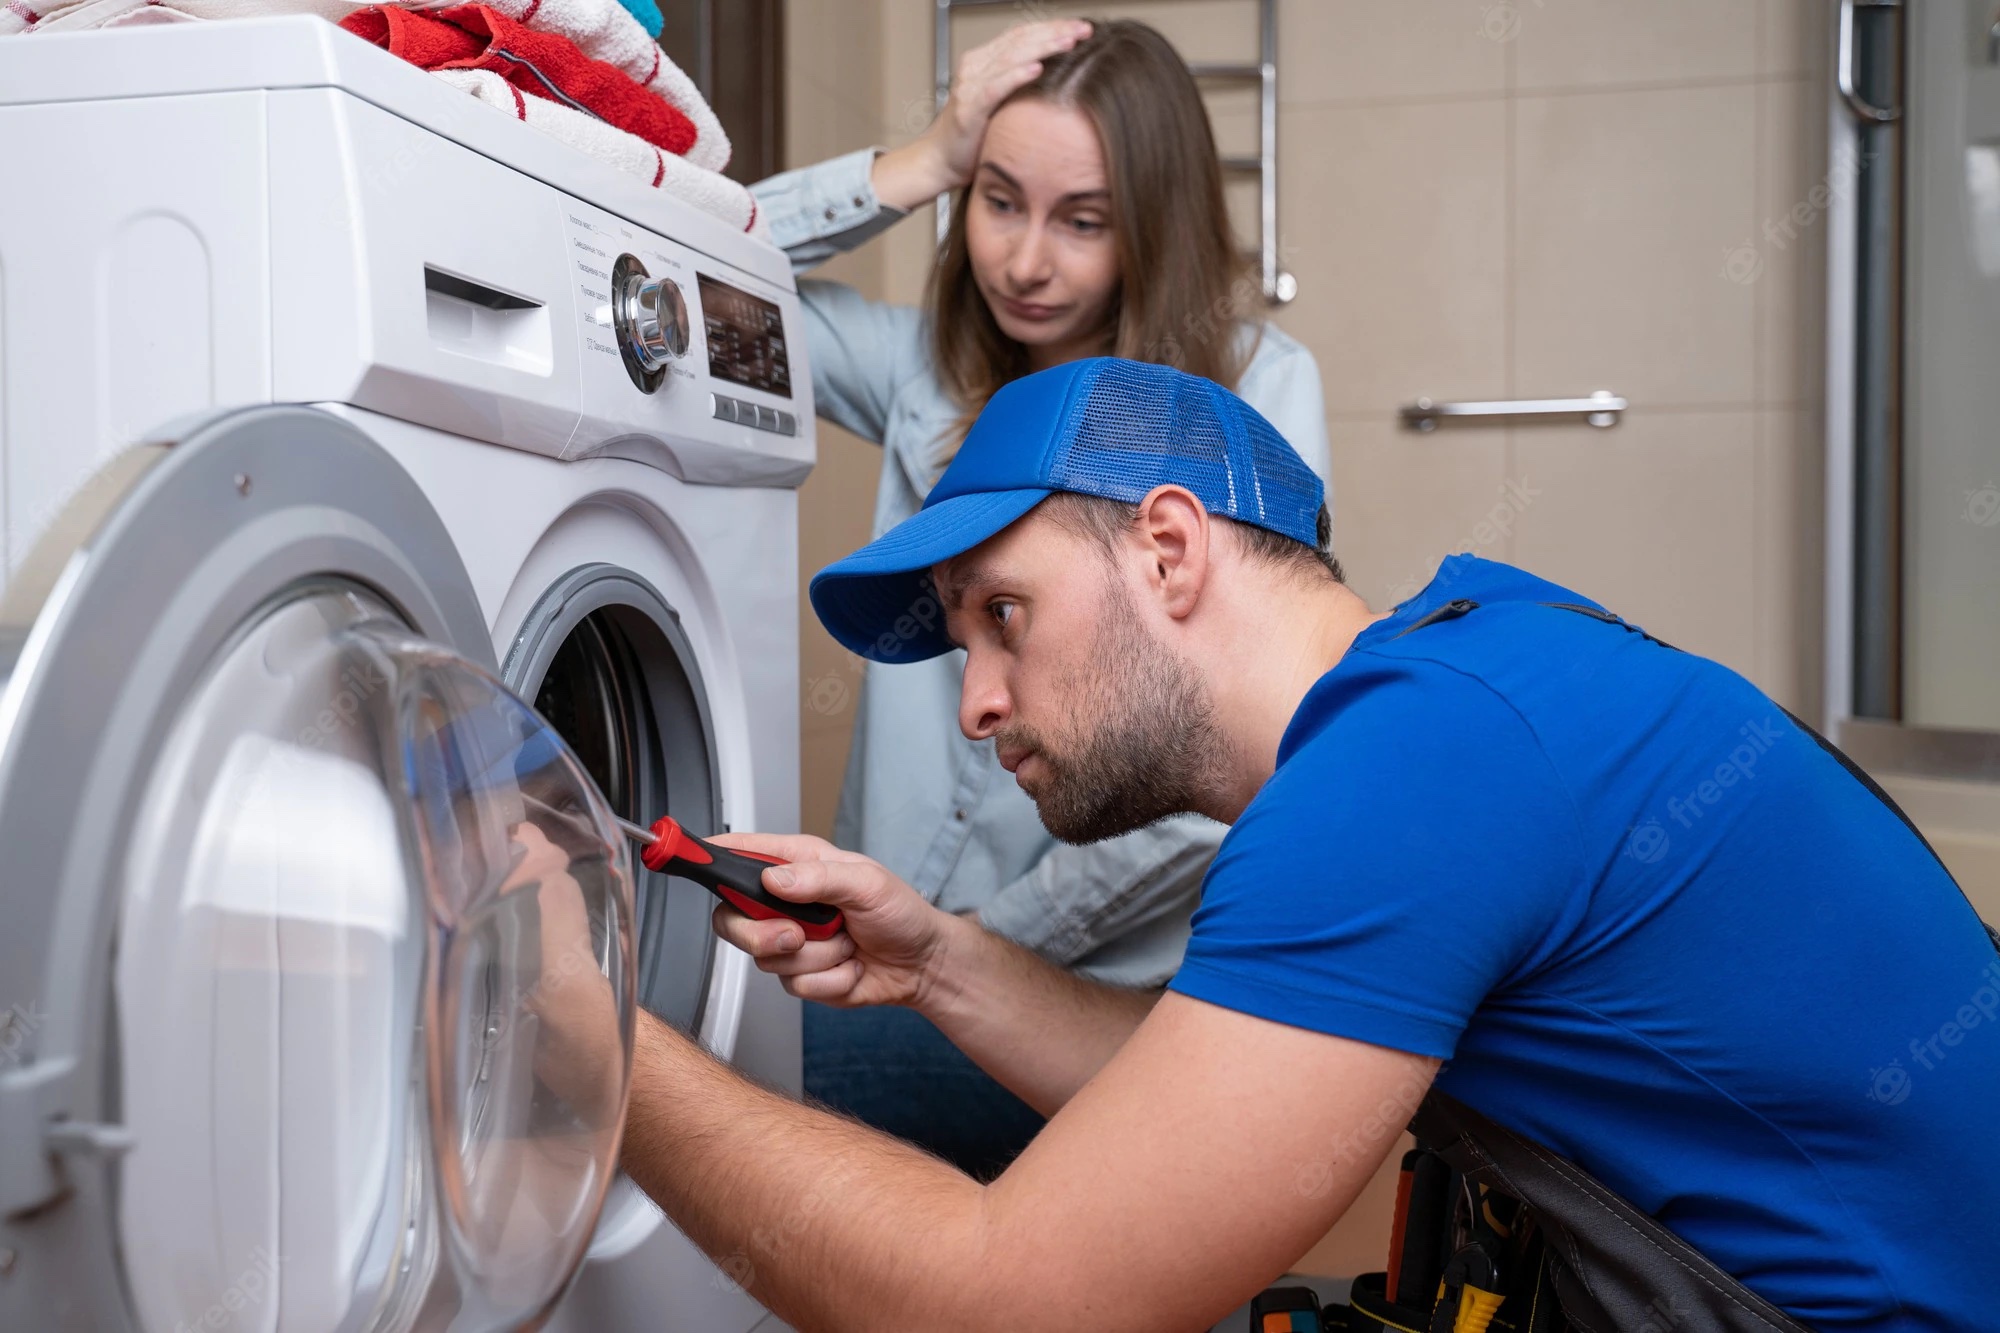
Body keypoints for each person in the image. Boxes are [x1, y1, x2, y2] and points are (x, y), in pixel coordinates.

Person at [560, 358, 1998, 1332]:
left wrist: (581, 1033)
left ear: (1171, 550)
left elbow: (1008, 1303)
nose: (979, 697)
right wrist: (938, 960)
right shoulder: (1473, 664)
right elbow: (1223, 1107)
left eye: (1003, 612)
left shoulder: (1409, 771)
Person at [748, 17, 1330, 1174]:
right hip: (904, 948)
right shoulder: (922, 371)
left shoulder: (1253, 387)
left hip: (1100, 985)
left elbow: (1238, 721)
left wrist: (967, 956)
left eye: (1083, 220)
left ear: (1148, 227)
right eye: (997, 200)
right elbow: (697, 261)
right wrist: (922, 159)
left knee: (747, 1069)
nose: (1023, 261)